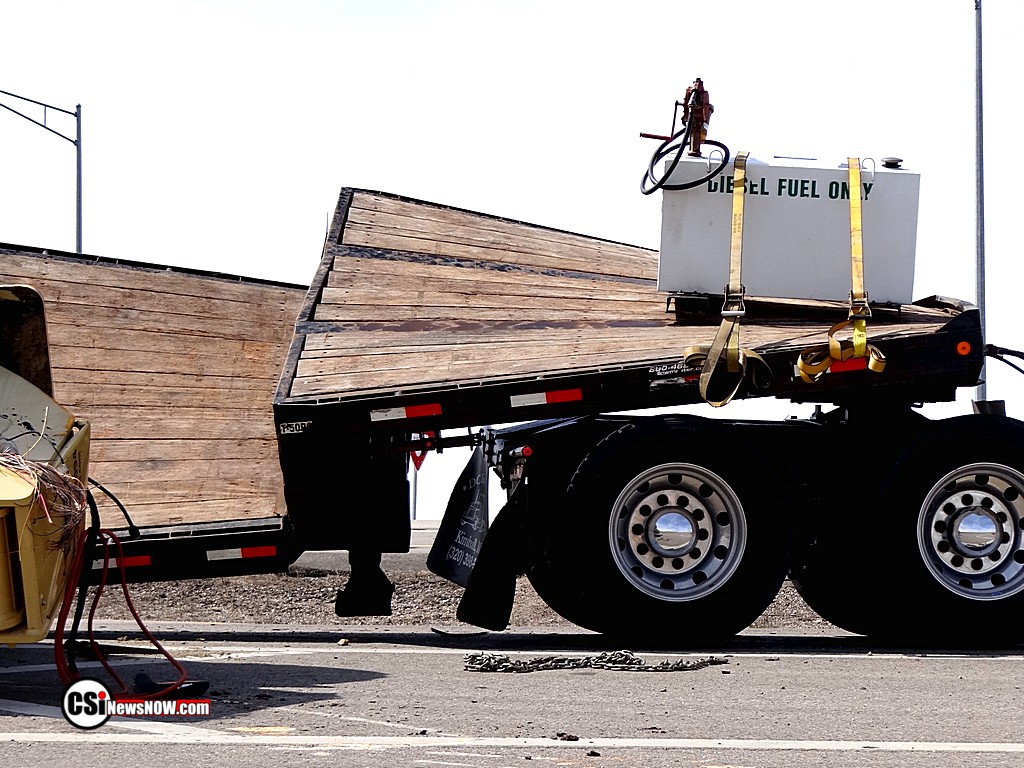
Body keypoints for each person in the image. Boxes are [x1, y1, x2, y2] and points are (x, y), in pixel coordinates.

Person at [681, 77, 714, 157]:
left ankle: (695, 149)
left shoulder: (704, 96)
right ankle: (694, 149)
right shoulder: (698, 97)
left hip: (698, 121)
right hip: (695, 120)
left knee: (699, 130)